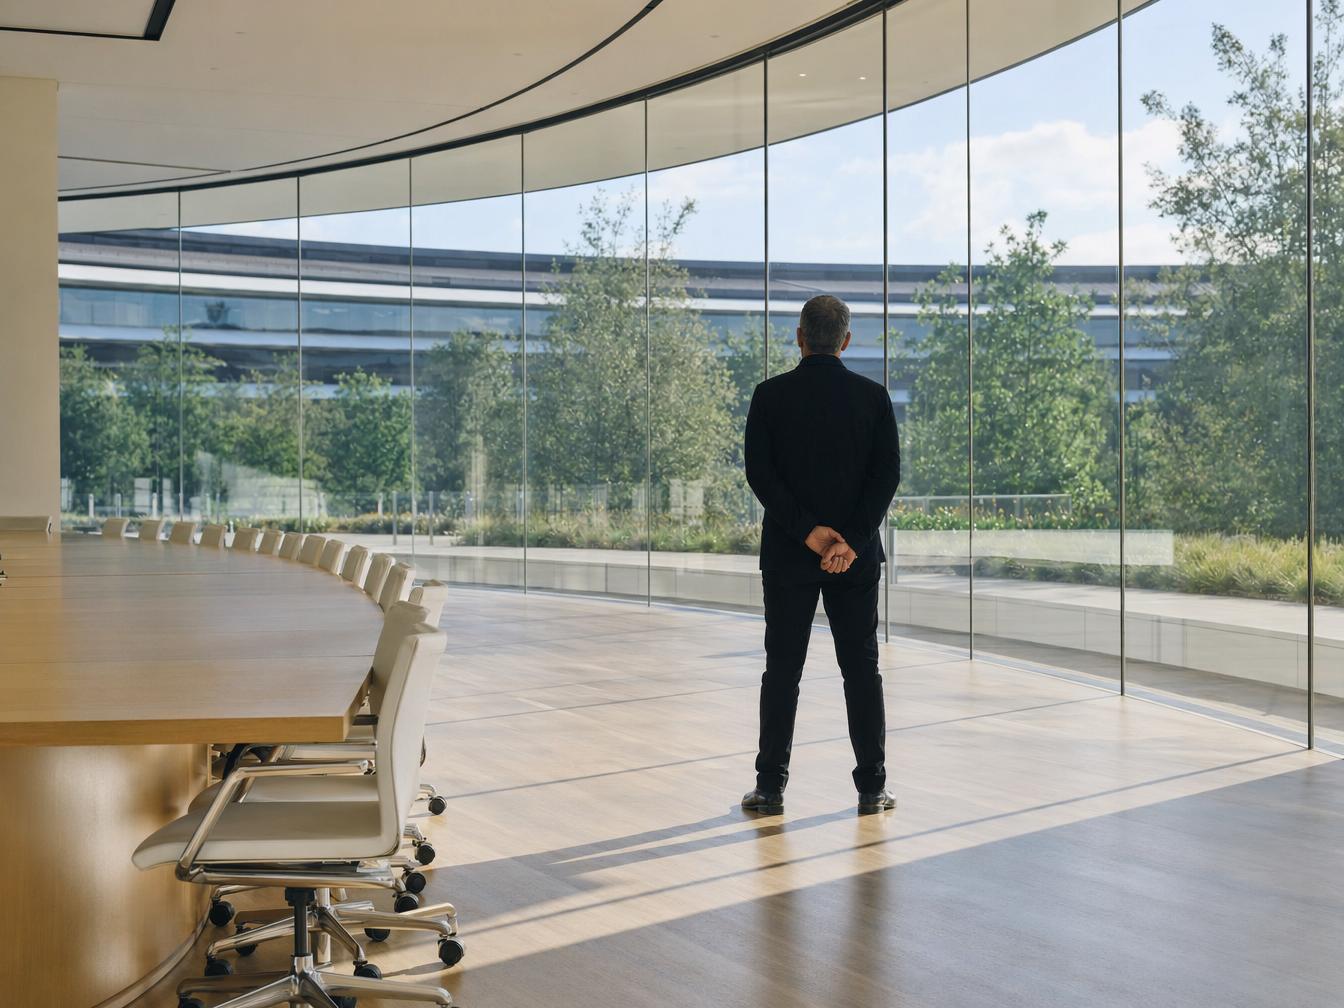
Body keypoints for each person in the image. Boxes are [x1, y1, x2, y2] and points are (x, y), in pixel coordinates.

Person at [741, 294, 901, 815]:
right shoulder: (873, 398)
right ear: (846, 341)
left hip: (789, 557)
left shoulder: (769, 396)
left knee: (782, 672)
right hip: (854, 562)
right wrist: (848, 542)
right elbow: (886, 478)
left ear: (800, 336)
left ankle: (770, 789)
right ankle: (872, 789)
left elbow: (761, 476)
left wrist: (810, 534)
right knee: (862, 672)